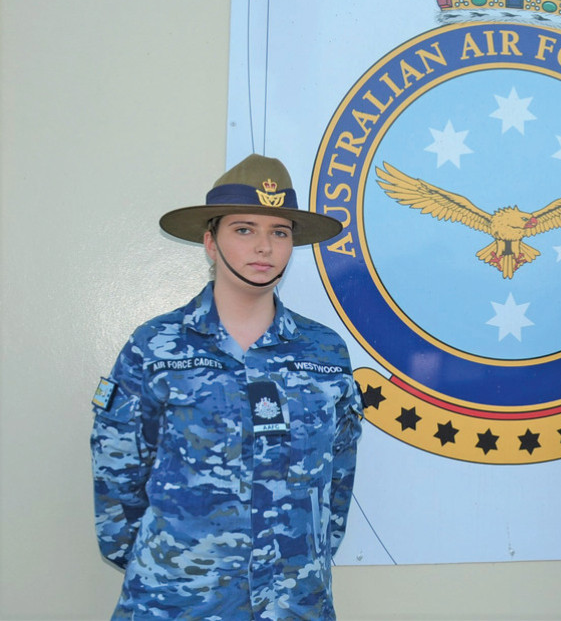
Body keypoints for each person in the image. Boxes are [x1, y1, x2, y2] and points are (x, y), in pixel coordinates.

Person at [90, 154, 363, 620]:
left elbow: (337, 479)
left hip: (293, 605)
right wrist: (178, 570)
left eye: (279, 232)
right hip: (177, 604)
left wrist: (297, 564)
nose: (264, 247)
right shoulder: (156, 347)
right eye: (244, 229)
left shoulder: (324, 352)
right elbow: (117, 482)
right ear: (210, 242)